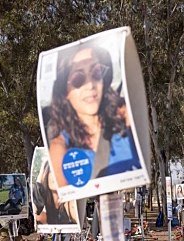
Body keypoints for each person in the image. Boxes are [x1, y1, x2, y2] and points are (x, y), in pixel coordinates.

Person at [44, 44, 142, 189]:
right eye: (78, 79)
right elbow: (71, 205)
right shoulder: (60, 148)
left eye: (96, 72)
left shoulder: (125, 117)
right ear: (65, 92)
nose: (90, 85)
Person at [33, 159, 79, 226]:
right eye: (52, 171)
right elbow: (36, 214)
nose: (56, 176)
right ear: (46, 174)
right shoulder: (47, 211)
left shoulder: (69, 203)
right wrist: (40, 176)